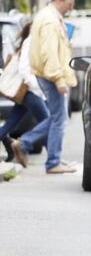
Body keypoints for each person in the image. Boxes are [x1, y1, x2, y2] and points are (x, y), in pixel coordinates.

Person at [27, 0, 77, 174]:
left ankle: (50, 156)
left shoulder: (50, 16)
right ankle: (50, 160)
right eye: (70, 4)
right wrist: (58, 79)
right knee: (59, 118)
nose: (71, 8)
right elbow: (49, 53)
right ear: (60, 0)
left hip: (48, 73)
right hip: (51, 75)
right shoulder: (49, 20)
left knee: (58, 117)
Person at [0, 23, 50, 167]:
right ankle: (53, 158)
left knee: (11, 123)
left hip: (26, 92)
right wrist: (37, 88)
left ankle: (53, 158)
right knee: (47, 122)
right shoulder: (30, 45)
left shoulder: (30, 45)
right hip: (29, 92)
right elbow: (25, 71)